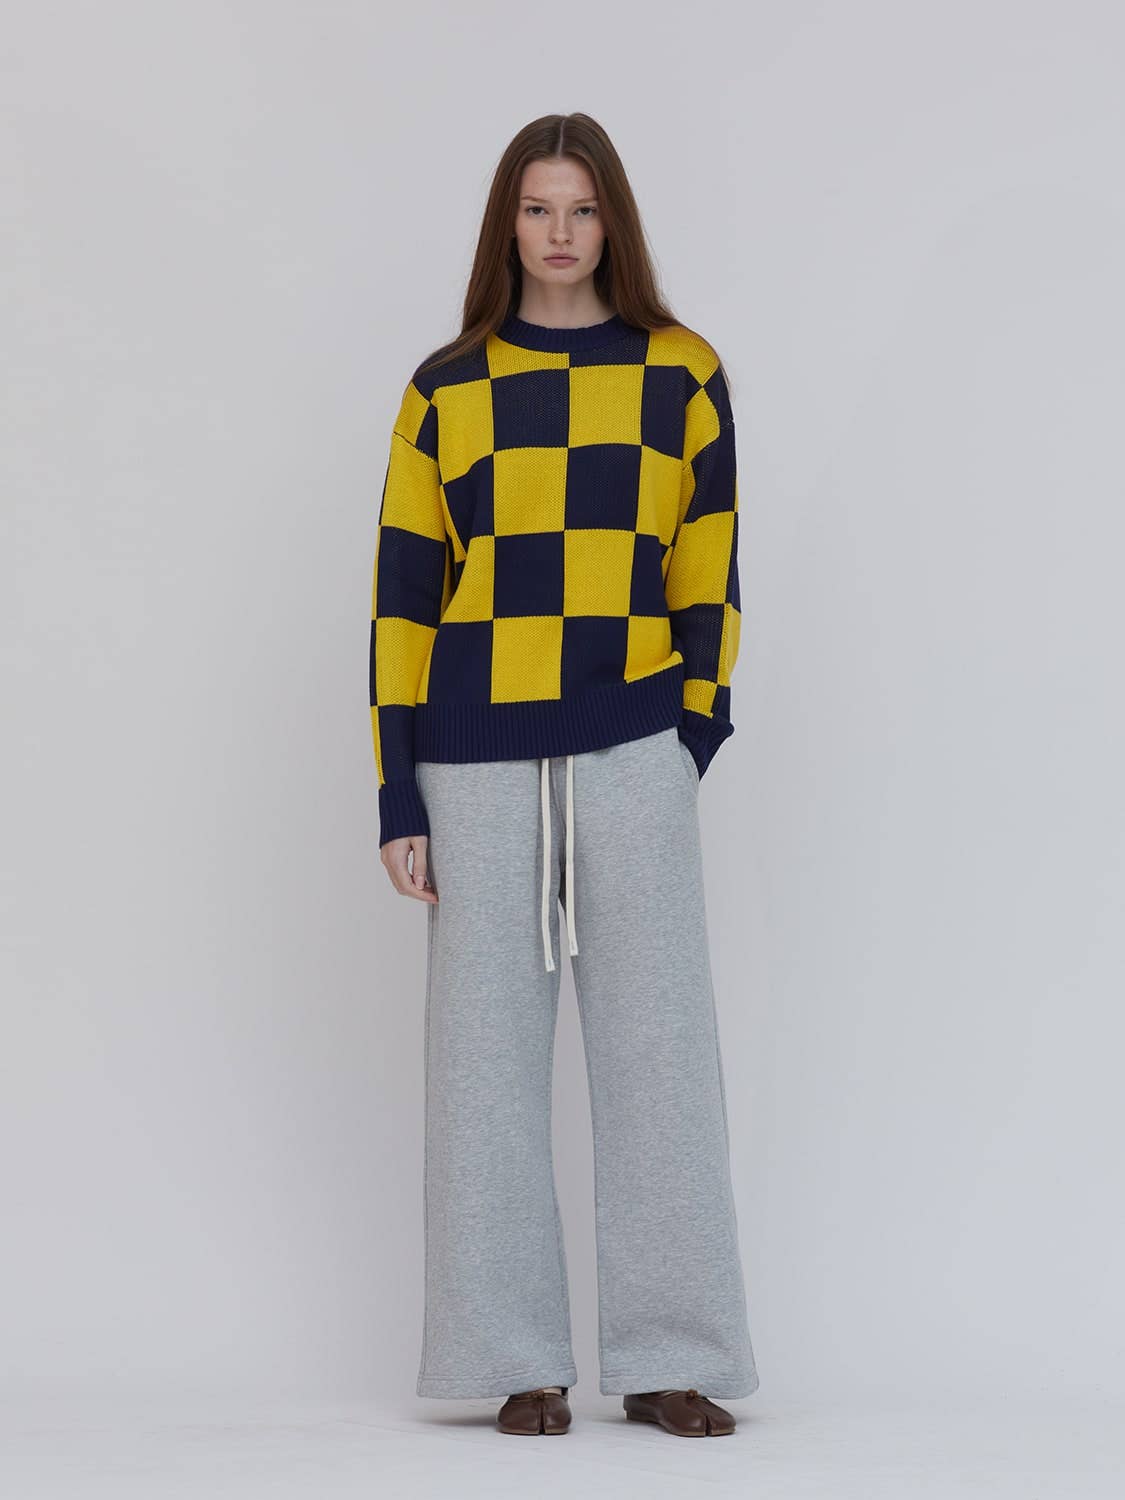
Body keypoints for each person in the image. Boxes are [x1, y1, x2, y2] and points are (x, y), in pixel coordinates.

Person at [369, 112, 759, 1438]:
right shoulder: (447, 388)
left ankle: (671, 1357)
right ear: (507, 223)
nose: (558, 233)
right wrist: (398, 790)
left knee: (662, 1060)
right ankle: (513, 1360)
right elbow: (404, 597)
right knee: (481, 1073)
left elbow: (708, 566)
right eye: (536, 209)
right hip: (472, 760)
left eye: (580, 209)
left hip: (633, 747)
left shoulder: (680, 372)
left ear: (611, 222)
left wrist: (689, 730)